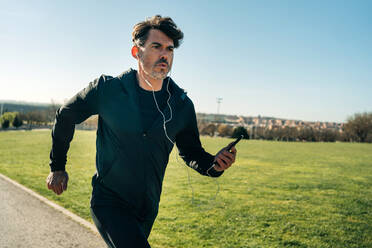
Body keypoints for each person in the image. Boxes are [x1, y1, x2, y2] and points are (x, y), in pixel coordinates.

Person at [46, 15, 237, 248]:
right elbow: (66, 114)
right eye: (156, 46)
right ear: (136, 52)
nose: (164, 54)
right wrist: (57, 166)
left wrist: (215, 164)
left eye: (170, 49)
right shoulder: (108, 89)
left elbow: (192, 152)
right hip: (109, 201)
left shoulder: (181, 104)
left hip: (147, 208)